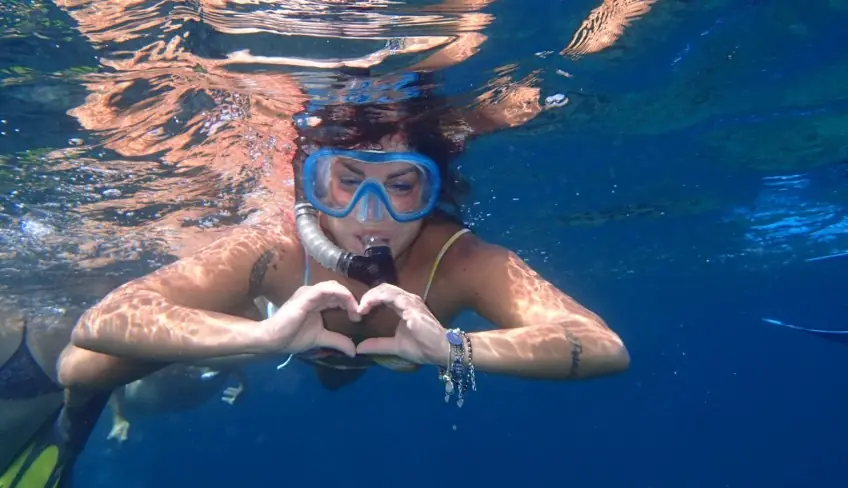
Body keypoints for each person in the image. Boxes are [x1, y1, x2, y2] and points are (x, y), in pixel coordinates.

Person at [57, 70, 630, 399]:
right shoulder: (277, 245)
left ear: (434, 190)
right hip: (270, 327)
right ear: (312, 186)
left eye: (402, 184)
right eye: (346, 181)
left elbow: (603, 345)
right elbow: (104, 319)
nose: (369, 212)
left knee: (338, 378)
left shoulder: (459, 260)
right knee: (79, 370)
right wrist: (258, 338)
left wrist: (456, 350)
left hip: (357, 356)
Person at [0, 296, 251, 488]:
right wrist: (119, 417)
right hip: (48, 392)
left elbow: (110, 371)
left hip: (56, 420)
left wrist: (241, 378)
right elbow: (112, 371)